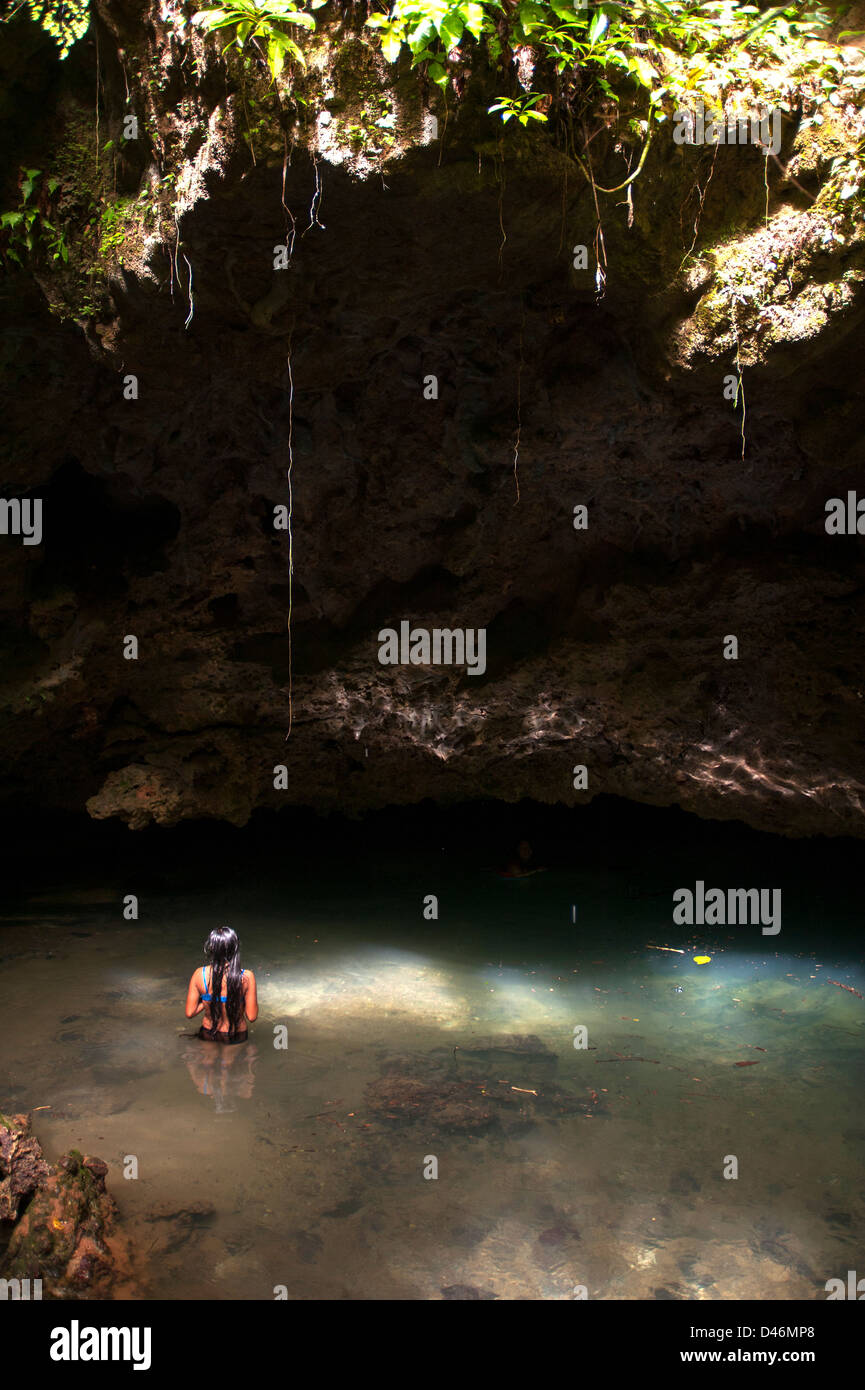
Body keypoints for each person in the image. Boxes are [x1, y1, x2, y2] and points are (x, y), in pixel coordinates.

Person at [185, 926, 258, 1044]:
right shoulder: (247, 977)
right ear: (235, 949)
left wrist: (208, 999)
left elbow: (190, 1013)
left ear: (211, 948)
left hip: (208, 1032)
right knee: (233, 1062)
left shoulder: (199, 974)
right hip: (236, 1034)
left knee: (208, 1061)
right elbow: (252, 1016)